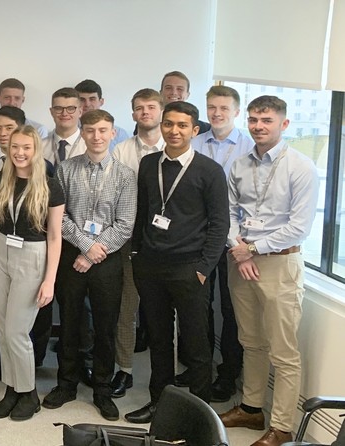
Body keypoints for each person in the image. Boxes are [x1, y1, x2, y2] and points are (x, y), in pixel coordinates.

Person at [218, 96, 318, 446]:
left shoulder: (301, 167)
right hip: (241, 262)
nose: (258, 125)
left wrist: (254, 249)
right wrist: (239, 250)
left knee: (284, 351)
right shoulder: (240, 165)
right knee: (251, 342)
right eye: (254, 119)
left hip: (279, 264)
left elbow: (300, 227)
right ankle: (251, 408)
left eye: (267, 120)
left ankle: (282, 427)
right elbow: (227, 213)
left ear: (284, 125)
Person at [124, 101, 229, 424]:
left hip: (190, 268)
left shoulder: (209, 171)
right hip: (151, 266)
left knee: (196, 346)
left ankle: (199, 415)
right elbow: (142, 212)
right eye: (169, 124)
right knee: (158, 340)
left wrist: (203, 268)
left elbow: (219, 223)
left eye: (182, 125)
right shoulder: (148, 164)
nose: (174, 131)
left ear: (195, 131)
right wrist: (137, 255)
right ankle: (160, 404)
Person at [44, 110, 135, 421]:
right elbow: (59, 218)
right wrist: (85, 247)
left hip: (107, 259)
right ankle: (67, 384)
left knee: (105, 327)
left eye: (103, 130)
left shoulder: (125, 175)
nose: (97, 136)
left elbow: (125, 224)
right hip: (72, 256)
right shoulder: (66, 170)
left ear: (113, 134)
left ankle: (102, 389)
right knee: (69, 322)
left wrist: (95, 251)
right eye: (91, 130)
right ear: (82, 133)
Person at [0, 125, 64, 421]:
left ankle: (29, 394)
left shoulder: (51, 185)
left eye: (26, 147)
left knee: (17, 331)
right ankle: (11, 389)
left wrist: (50, 280)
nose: (20, 153)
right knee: (1, 328)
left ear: (36, 150)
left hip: (33, 255)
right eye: (15, 147)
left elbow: (55, 236)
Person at [192, 85, 256, 403]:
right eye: (212, 107)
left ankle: (228, 375)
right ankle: (198, 369)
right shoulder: (195, 142)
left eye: (224, 108)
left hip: (233, 242)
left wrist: (238, 240)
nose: (217, 113)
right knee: (198, 306)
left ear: (236, 112)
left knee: (232, 311)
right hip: (197, 239)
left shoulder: (248, 147)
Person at [107, 88, 165, 398]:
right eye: (139, 108)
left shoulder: (175, 148)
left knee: (162, 314)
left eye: (151, 107)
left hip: (166, 246)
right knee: (127, 310)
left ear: (161, 111)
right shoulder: (121, 151)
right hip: (130, 242)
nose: (145, 112)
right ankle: (124, 370)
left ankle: (165, 379)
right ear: (133, 114)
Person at [0, 78, 48, 155]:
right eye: (7, 97)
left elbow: (40, 159)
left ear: (23, 100)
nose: (12, 103)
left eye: (17, 98)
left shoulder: (39, 130)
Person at [73, 79, 131, 148]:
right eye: (82, 100)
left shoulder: (119, 134)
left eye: (92, 99)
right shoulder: (69, 132)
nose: (87, 104)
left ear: (101, 102)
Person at [44, 88, 86, 165]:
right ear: (51, 112)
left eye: (70, 108)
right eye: (58, 108)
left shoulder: (88, 146)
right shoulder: (39, 146)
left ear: (80, 112)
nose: (64, 113)